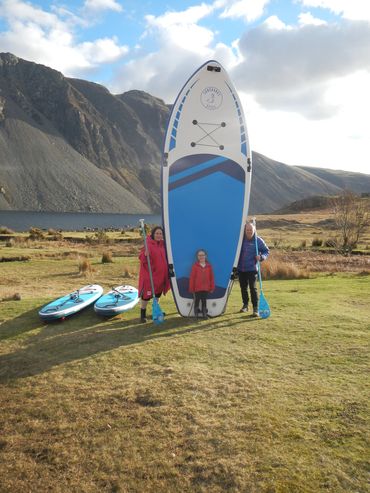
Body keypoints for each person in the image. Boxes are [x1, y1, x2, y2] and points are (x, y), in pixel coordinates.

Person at [138, 226, 170, 323]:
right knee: (146, 296)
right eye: (157, 233)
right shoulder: (148, 244)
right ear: (153, 234)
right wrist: (145, 255)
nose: (159, 235)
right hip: (151, 275)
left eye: (160, 233)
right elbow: (141, 258)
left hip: (161, 275)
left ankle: (155, 311)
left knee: (157, 294)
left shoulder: (164, 245)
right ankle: (142, 315)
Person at [237, 222, 269, 317]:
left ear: (254, 230)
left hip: (252, 268)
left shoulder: (258, 240)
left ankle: (255, 308)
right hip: (241, 268)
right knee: (243, 288)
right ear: (245, 230)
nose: (249, 231)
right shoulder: (240, 240)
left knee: (253, 288)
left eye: (251, 230)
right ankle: (245, 305)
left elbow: (266, 251)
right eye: (247, 230)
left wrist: (261, 257)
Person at [189, 249, 215, 318]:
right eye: (199, 255)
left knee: (204, 300)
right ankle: (196, 314)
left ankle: (204, 314)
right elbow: (192, 278)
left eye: (202, 255)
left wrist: (212, 287)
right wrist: (191, 288)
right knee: (197, 300)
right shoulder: (195, 266)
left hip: (206, 287)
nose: (201, 256)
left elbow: (211, 277)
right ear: (197, 257)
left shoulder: (209, 266)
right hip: (197, 287)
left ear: (205, 256)